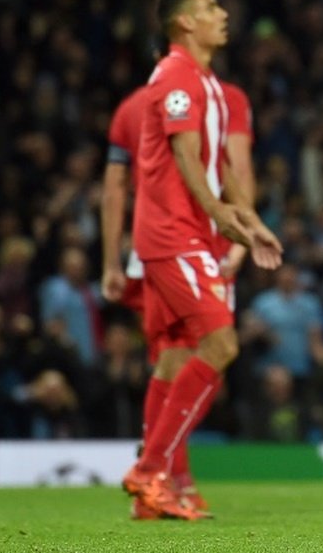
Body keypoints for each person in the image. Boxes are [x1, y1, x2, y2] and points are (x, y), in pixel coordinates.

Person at [119, 0, 282, 520]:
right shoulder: (174, 76)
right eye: (212, 6)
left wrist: (252, 223)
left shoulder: (210, 84)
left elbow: (225, 169)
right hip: (172, 234)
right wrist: (221, 220)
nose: (223, 13)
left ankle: (156, 495)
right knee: (221, 343)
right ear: (185, 22)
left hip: (190, 234)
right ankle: (151, 470)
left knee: (174, 357)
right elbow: (186, 161)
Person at [101, 72, 256, 519]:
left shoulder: (133, 105)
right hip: (195, 243)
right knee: (211, 352)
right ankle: (159, 473)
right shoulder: (225, 97)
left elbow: (114, 188)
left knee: (172, 357)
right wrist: (242, 236)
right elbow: (237, 169)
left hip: (148, 246)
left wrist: (112, 260)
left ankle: (168, 482)